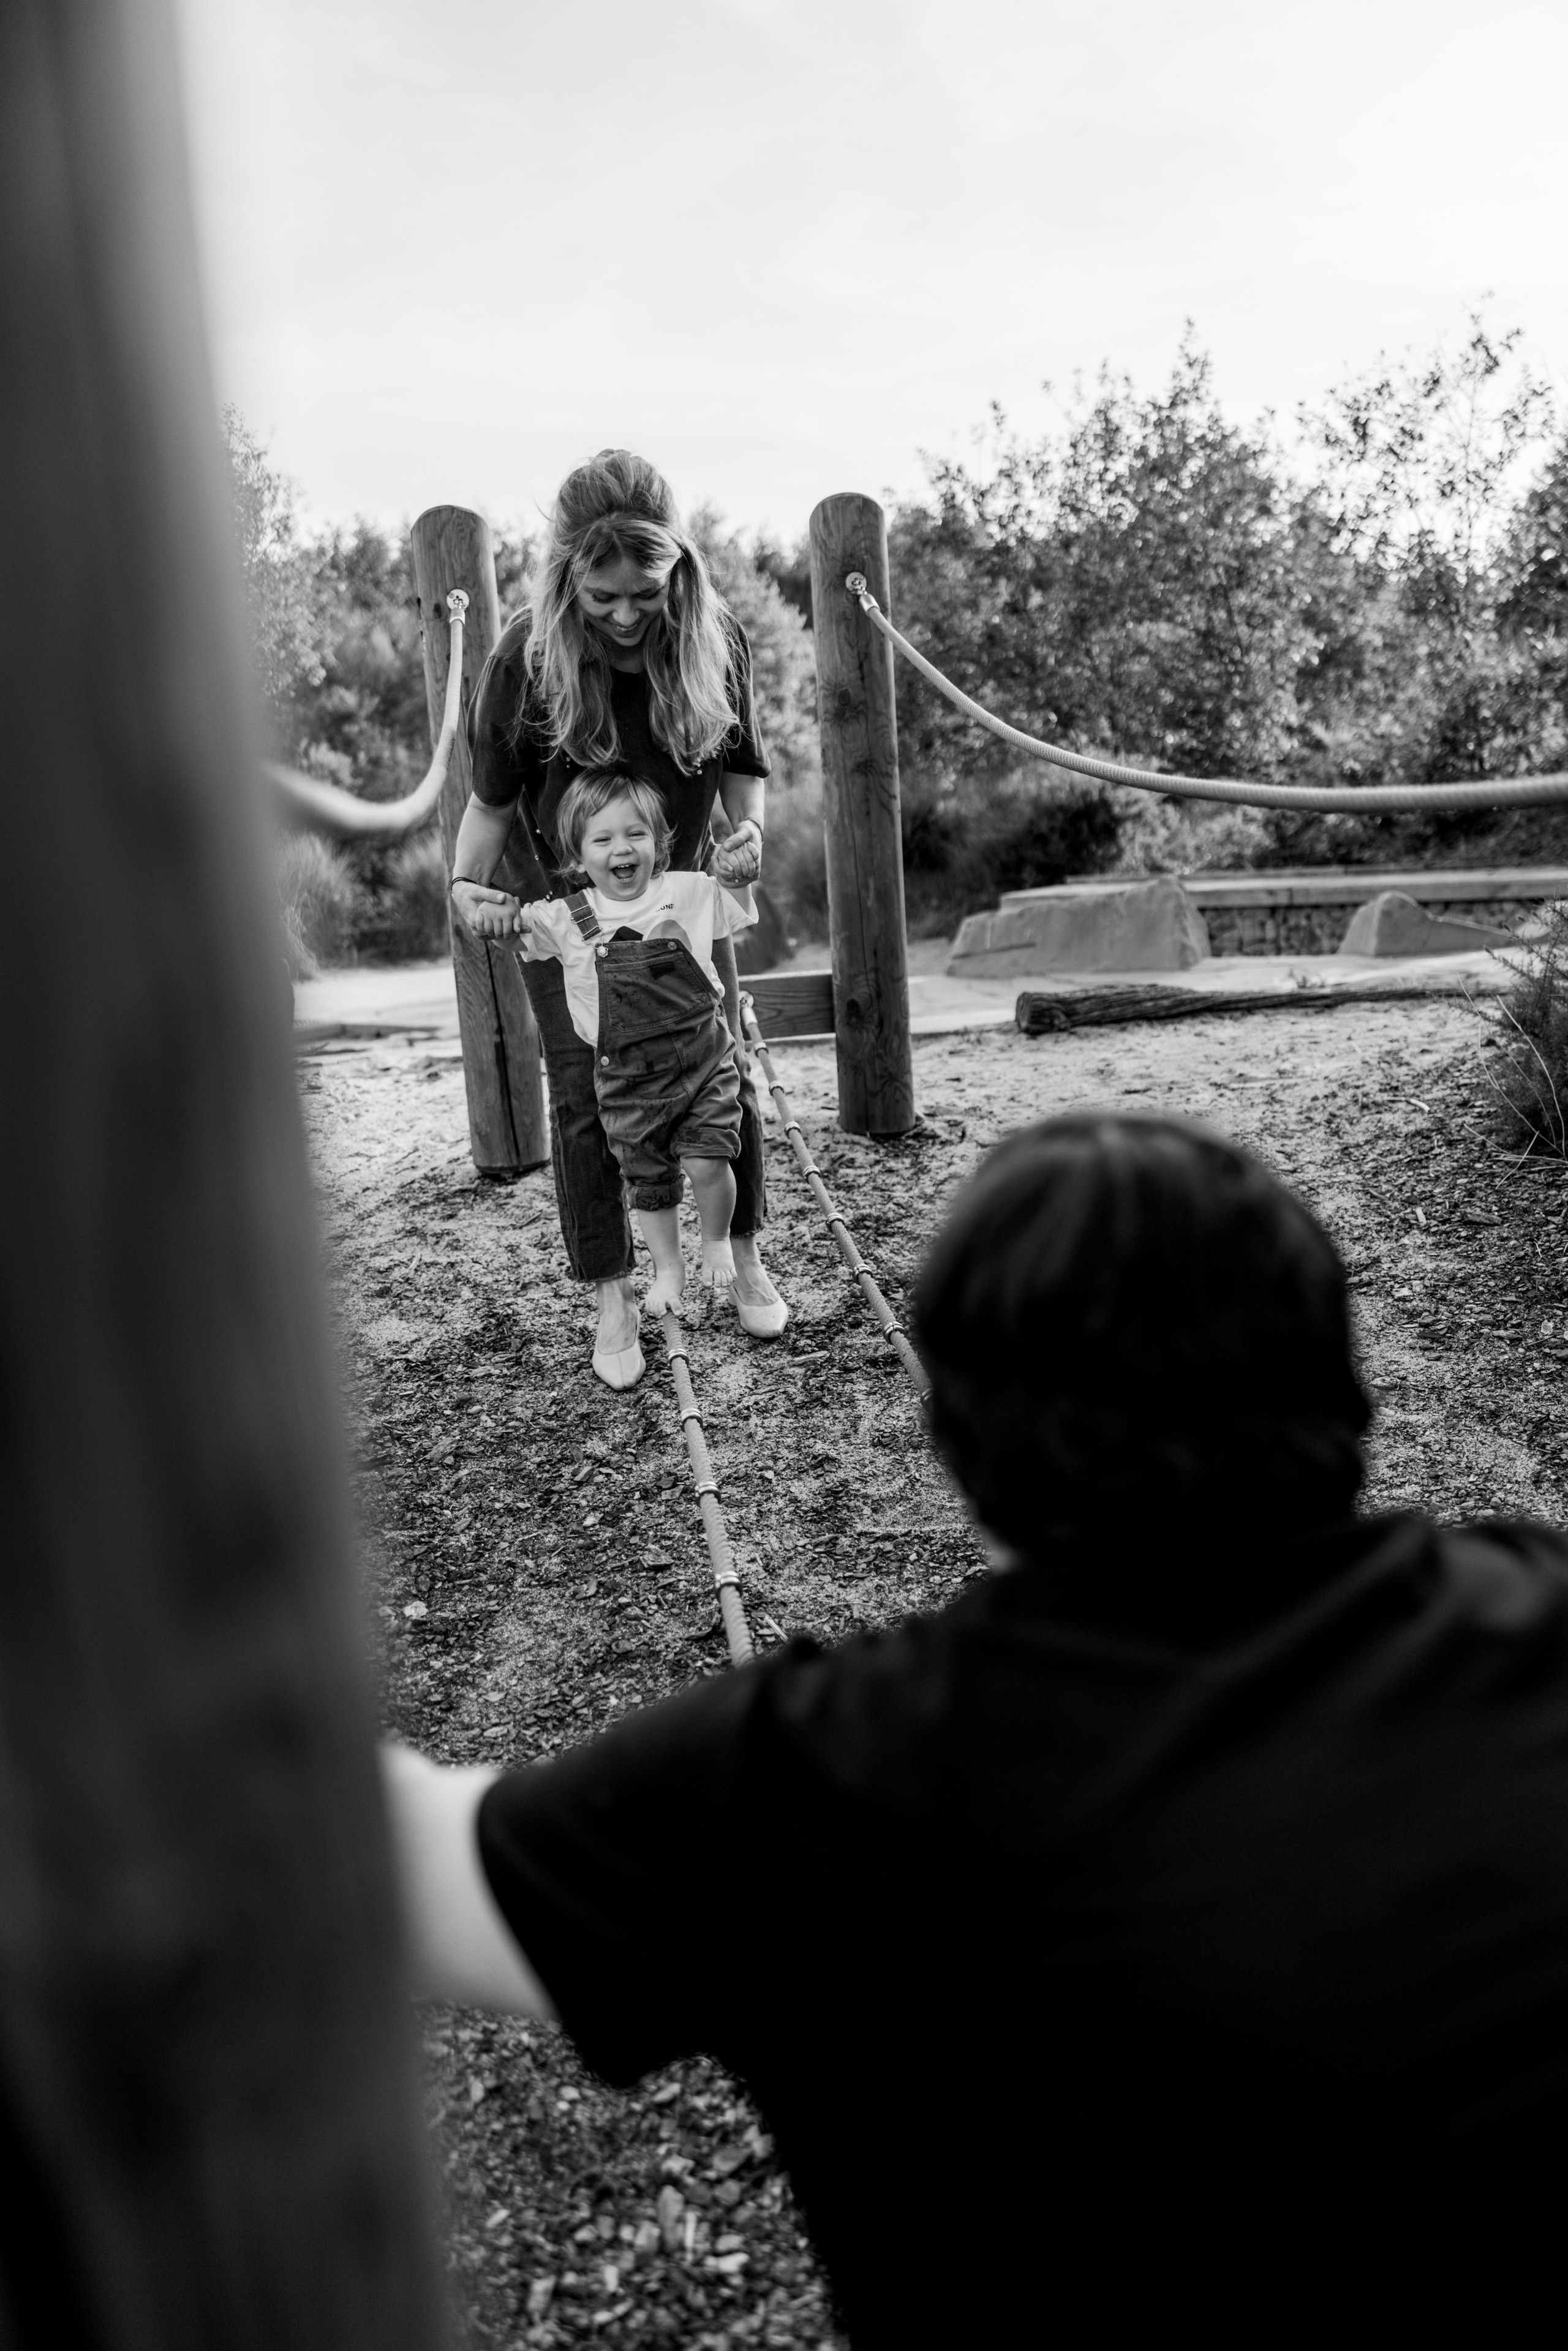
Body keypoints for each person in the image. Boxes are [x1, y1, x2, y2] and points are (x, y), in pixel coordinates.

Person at [383, 1115, 1568, 2339]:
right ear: (1340, 1381)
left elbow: (369, 1869)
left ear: (953, 1445)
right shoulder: (1541, 1614)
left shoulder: (822, 1780)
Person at [450, 449, 787, 1391]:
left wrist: (749, 831)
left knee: (720, 1073)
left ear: (678, 566)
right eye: (603, 598)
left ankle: (744, 1257)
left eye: (648, 589)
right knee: (587, 1098)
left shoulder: (717, 642)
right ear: (566, 579)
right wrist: (462, 885)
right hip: (570, 918)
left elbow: (743, 775)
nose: (629, 614)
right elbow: (487, 806)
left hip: (680, 899)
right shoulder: (523, 660)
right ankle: (613, 1297)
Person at [513, 769, 758, 1330]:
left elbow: (738, 902)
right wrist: (493, 915)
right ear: (578, 855)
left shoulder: (690, 892)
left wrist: (739, 865)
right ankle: (667, 1267)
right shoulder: (568, 917)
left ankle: (718, 1241)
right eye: (602, 840)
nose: (621, 849)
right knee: (649, 1185)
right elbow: (514, 933)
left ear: (659, 843)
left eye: (636, 835)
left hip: (701, 1059)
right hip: (625, 1078)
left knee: (707, 1155)